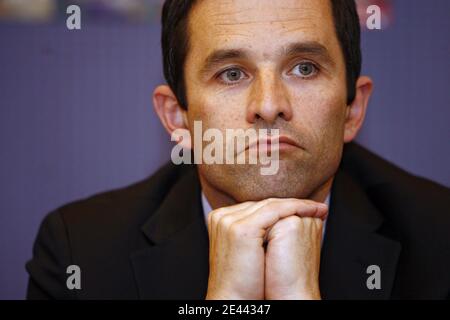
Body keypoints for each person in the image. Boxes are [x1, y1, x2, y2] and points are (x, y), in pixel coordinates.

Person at [26, 0, 450, 299]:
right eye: (232, 73)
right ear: (177, 118)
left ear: (352, 110)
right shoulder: (79, 252)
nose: (269, 105)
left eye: (304, 68)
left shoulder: (439, 238)